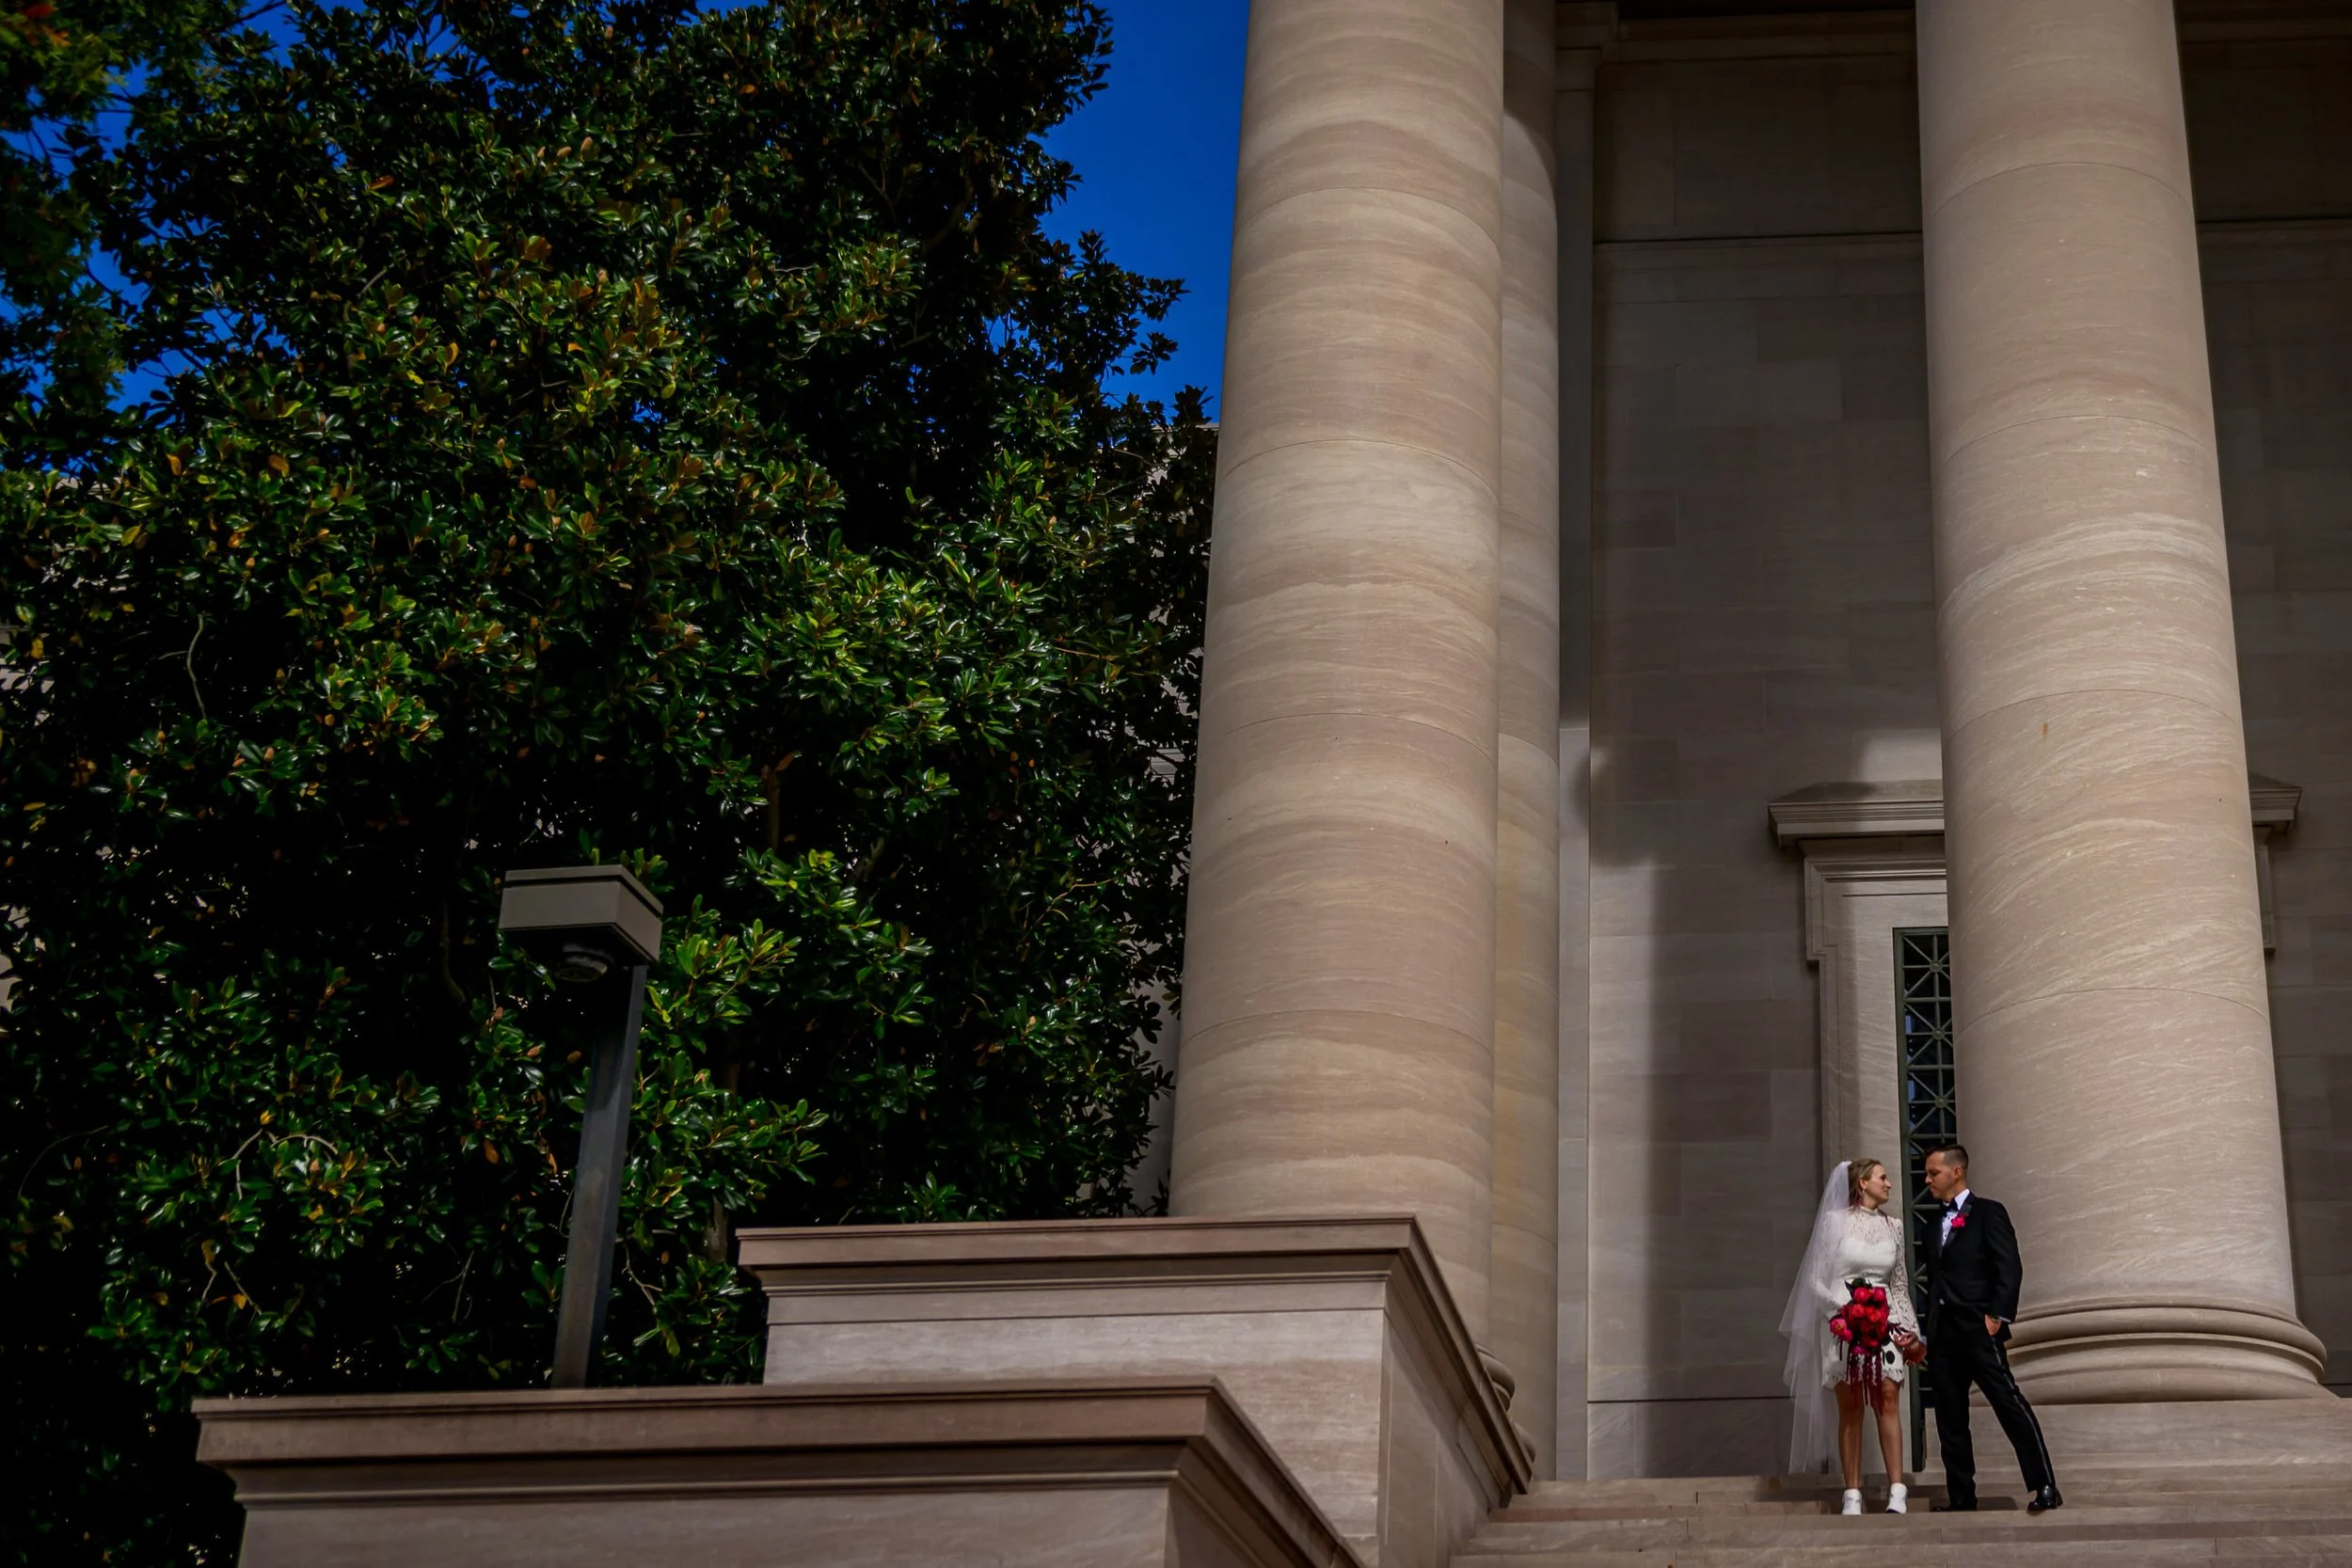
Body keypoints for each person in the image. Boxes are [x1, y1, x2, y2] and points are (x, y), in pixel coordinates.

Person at [1919, 1143, 2061, 1514]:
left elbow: (2008, 1267)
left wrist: (1997, 1315)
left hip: (1979, 1330)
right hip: (1943, 1336)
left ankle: (2045, 1484)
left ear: (1956, 1172)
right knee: (1950, 1418)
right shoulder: (1931, 1225)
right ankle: (1961, 1497)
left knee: (2008, 1403)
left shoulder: (1988, 1212)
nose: (1927, 1180)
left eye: (1933, 1173)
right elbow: (1935, 1281)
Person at [1779, 1157, 1921, 1515]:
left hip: (1886, 1320)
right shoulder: (1834, 1222)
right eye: (1882, 1178)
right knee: (1852, 1405)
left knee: (1888, 1398)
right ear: (1863, 1183)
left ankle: (1897, 1490)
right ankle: (1853, 1494)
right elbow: (1815, 1278)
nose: (1889, 1184)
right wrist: (1842, 1310)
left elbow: (1899, 1285)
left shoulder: (1894, 1226)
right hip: (1844, 1320)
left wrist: (1911, 1331)